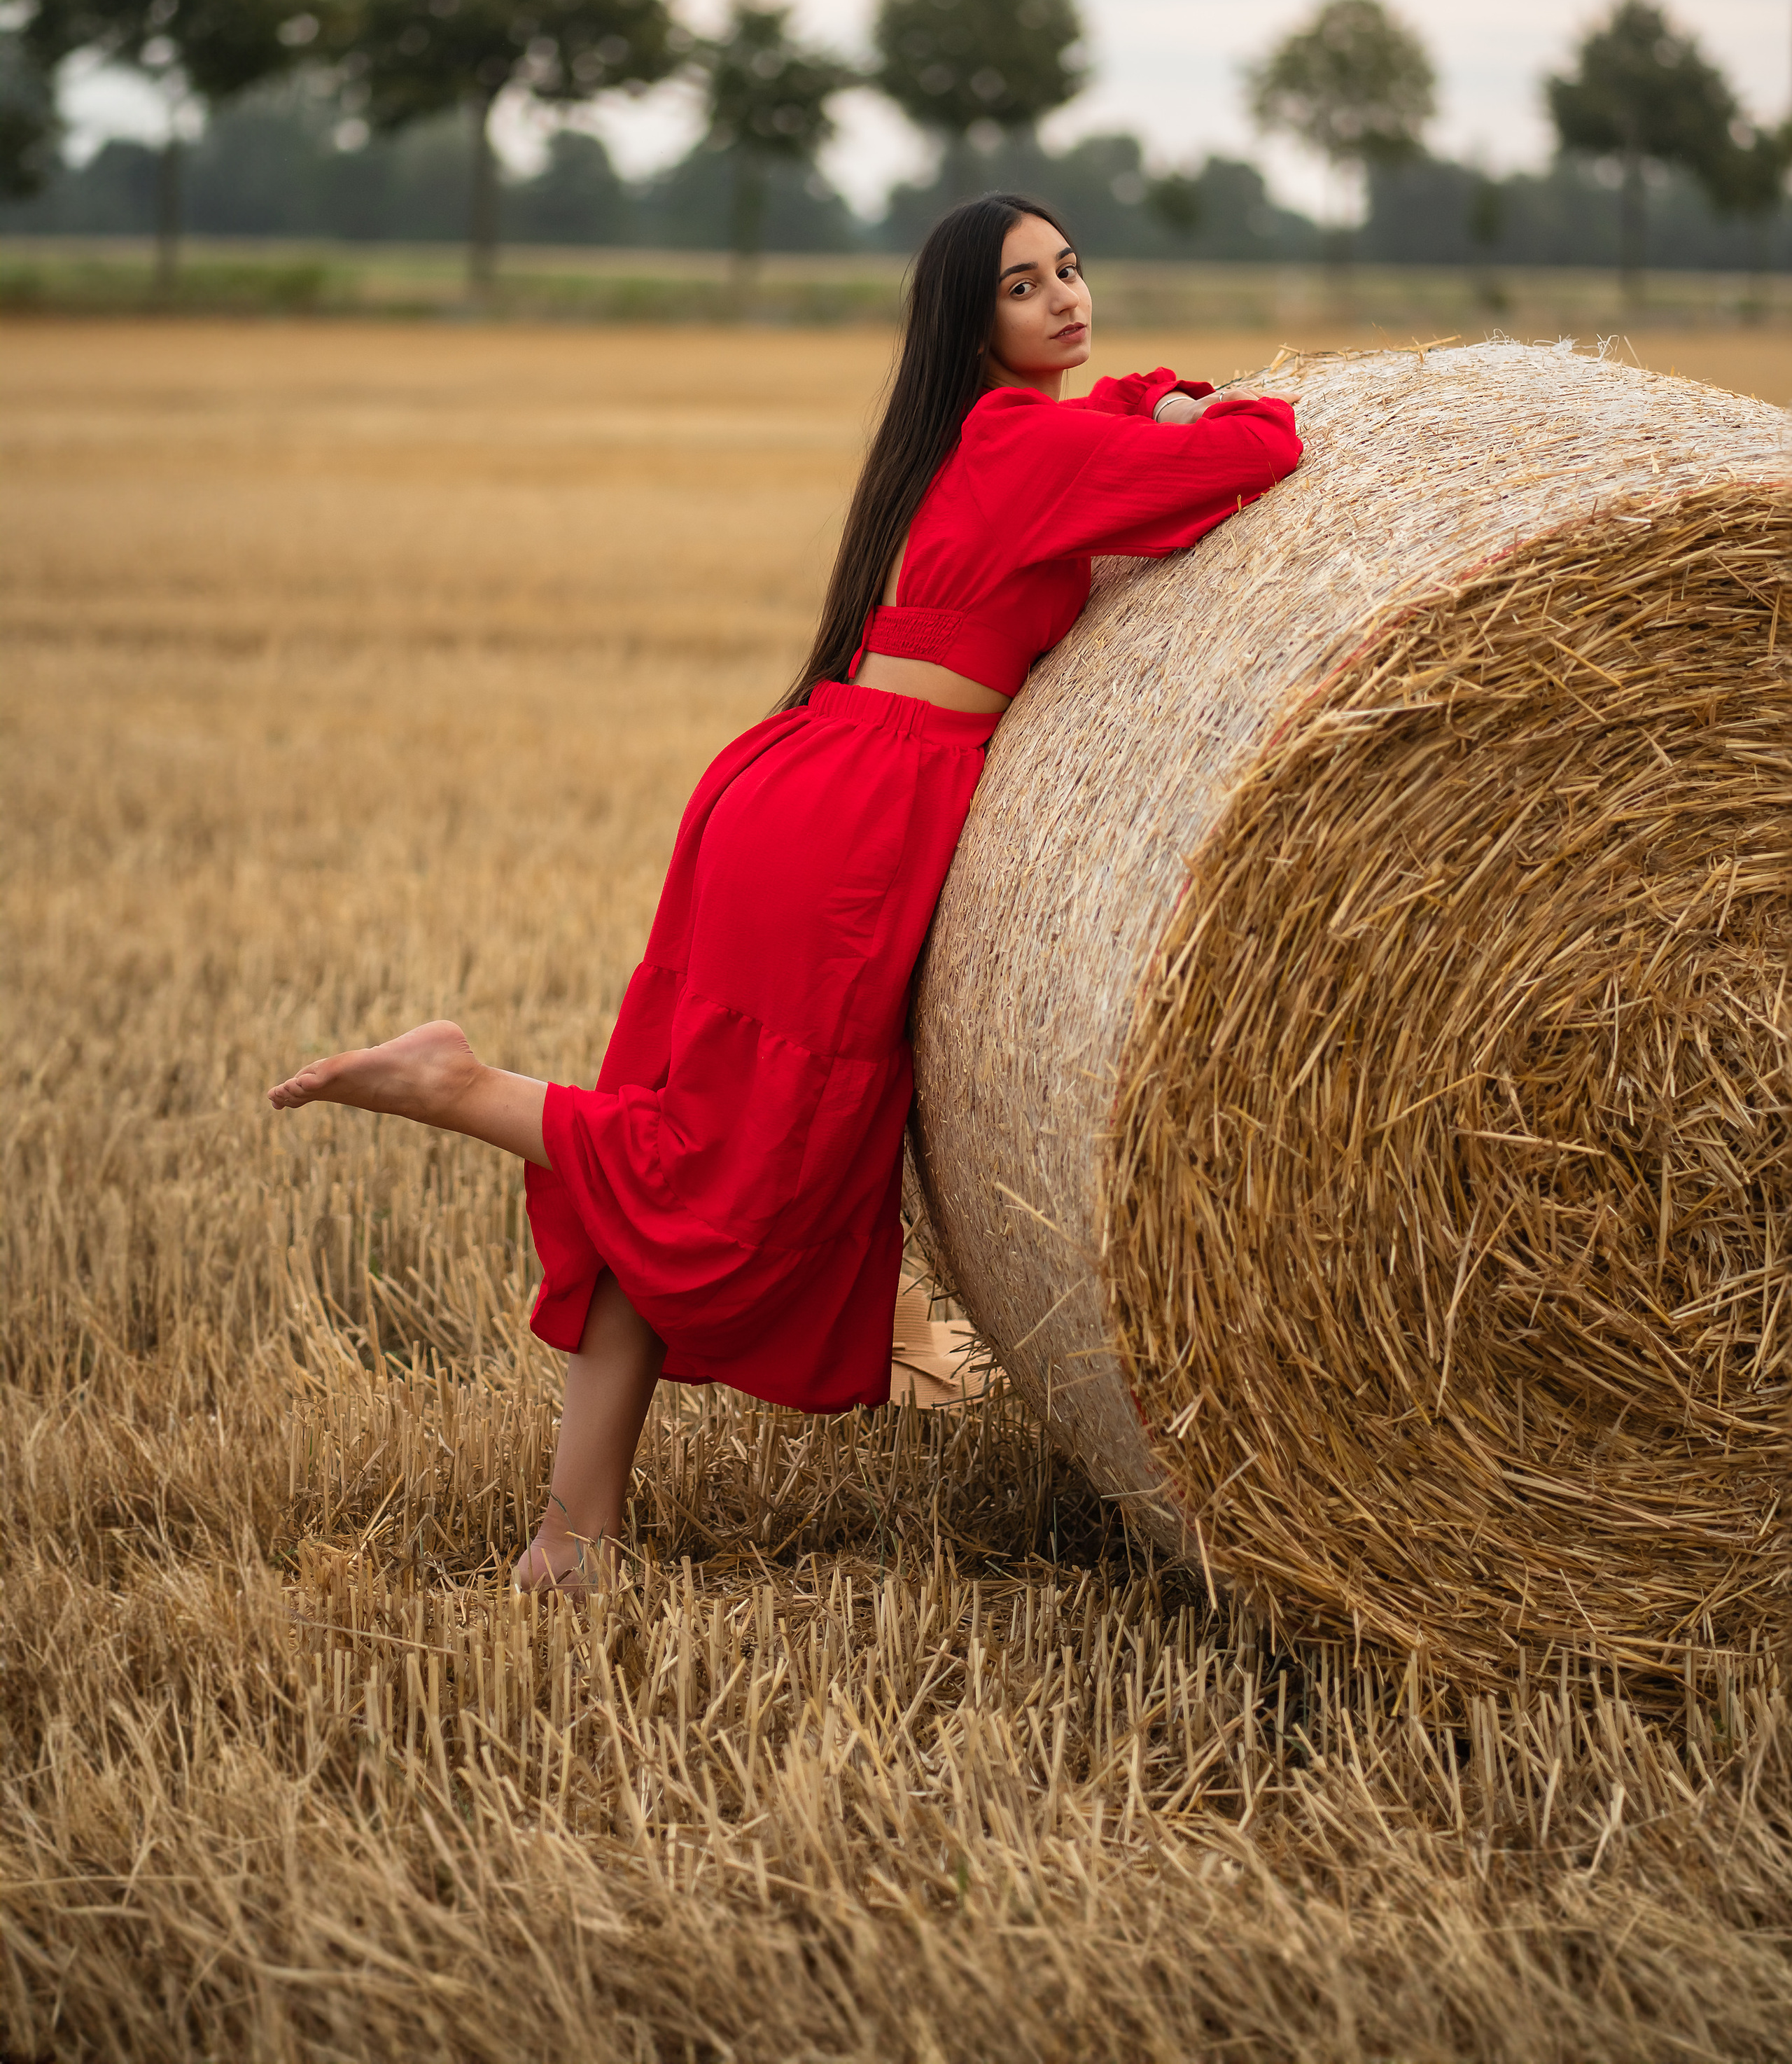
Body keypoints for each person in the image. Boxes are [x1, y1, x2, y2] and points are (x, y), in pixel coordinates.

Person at [267, 194, 1303, 1591]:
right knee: (732, 1176)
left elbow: (1109, 422)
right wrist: (1202, 408)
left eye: (1070, 270)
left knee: (672, 1149)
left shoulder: (980, 433)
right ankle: (456, 1086)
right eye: (1022, 287)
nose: (1065, 298)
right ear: (966, 318)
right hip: (858, 828)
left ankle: (572, 1537)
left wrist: (1147, 393)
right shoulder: (1028, 443)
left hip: (795, 782)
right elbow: (1259, 452)